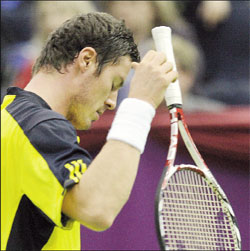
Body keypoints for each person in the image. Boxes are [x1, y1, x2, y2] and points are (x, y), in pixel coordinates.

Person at [1, 12, 178, 250]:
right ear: (86, 59)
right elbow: (97, 207)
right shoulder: (39, 127)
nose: (112, 102)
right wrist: (140, 104)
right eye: (114, 84)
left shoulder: (10, 117)